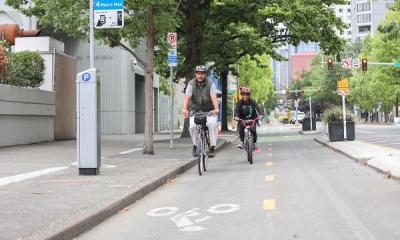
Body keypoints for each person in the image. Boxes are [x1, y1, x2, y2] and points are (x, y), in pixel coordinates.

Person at [182, 65, 219, 158]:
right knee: (192, 126)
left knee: (211, 124)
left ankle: (212, 148)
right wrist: (185, 109)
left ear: (205, 75)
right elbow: (187, 97)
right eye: (198, 74)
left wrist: (216, 109)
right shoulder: (191, 84)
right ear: (195, 74)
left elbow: (213, 97)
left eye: (202, 74)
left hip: (209, 110)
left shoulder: (211, 84)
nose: (200, 76)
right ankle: (195, 145)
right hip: (195, 110)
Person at [233, 86, 264, 152]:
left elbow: (258, 108)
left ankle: (255, 143)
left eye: (247, 95)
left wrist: (260, 114)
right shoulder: (239, 103)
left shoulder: (252, 102)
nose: (245, 96)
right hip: (242, 119)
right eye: (244, 94)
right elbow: (236, 111)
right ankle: (242, 142)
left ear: (249, 95)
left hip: (252, 119)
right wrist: (236, 116)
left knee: (253, 130)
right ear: (241, 95)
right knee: (241, 127)